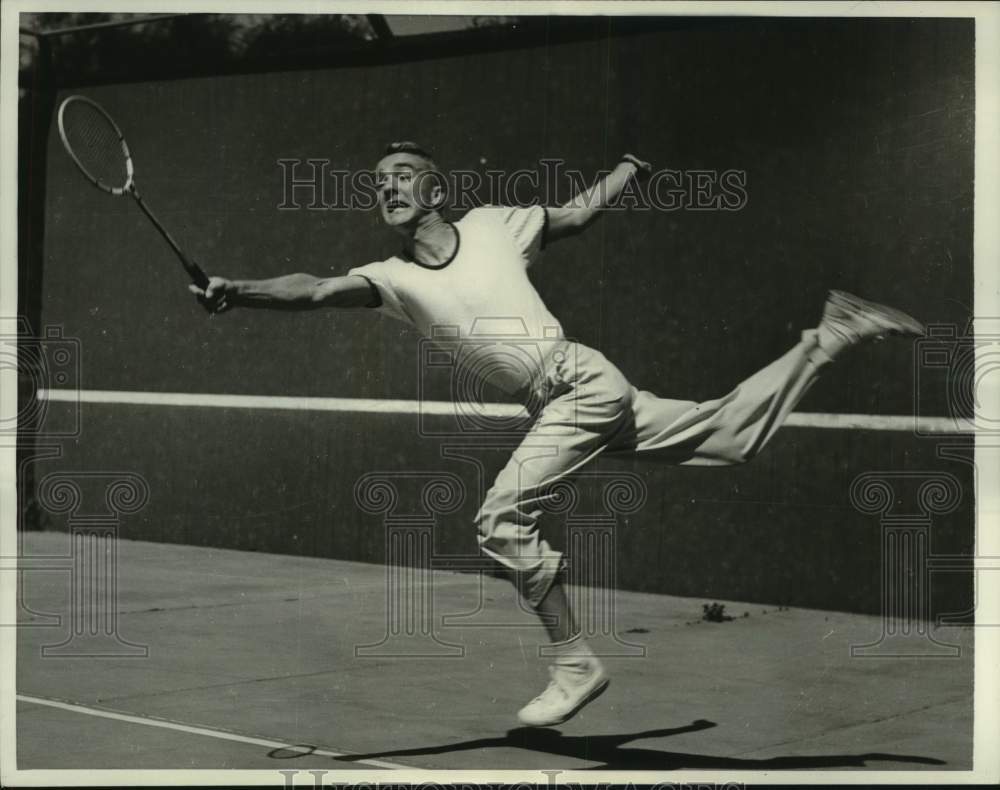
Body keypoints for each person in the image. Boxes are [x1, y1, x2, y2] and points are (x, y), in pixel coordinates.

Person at [191, 142, 925, 728]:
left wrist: (628, 170)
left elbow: (574, 216)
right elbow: (315, 288)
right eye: (379, 182)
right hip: (569, 398)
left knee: (500, 519)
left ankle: (574, 664)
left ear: (436, 189)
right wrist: (238, 290)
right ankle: (831, 336)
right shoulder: (390, 278)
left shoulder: (492, 226)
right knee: (731, 437)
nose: (389, 188)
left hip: (577, 383)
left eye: (404, 175)